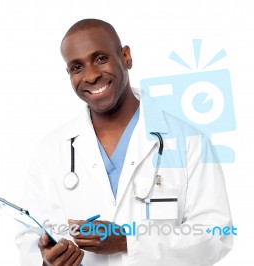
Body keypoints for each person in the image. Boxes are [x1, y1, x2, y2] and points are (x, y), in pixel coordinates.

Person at [15, 18, 233, 266]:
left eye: (100, 59)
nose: (91, 75)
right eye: (76, 67)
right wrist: (47, 261)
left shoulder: (189, 141)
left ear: (126, 57)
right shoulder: (49, 151)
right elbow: (29, 241)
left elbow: (217, 235)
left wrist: (128, 241)